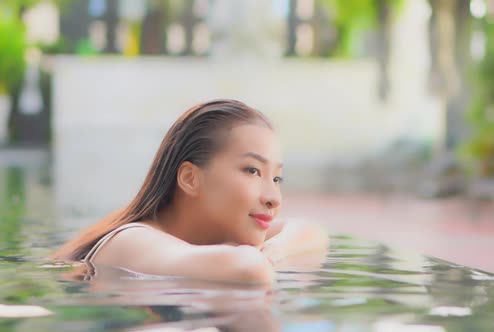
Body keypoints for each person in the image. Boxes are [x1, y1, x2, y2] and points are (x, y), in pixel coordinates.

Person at [51, 99, 328, 284]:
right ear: (190, 178)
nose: (273, 199)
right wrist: (263, 257)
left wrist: (275, 251)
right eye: (253, 171)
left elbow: (312, 233)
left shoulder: (209, 238)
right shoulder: (132, 241)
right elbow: (250, 269)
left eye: (277, 178)